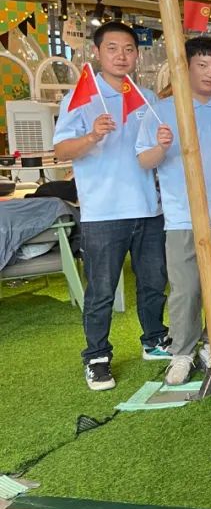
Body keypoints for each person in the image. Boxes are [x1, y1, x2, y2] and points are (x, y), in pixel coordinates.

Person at [54, 21, 169, 390]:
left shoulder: (146, 97)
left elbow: (154, 152)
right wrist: (92, 135)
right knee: (101, 290)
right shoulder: (80, 98)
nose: (122, 56)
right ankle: (97, 356)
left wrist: (163, 142)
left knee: (154, 282)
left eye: (129, 49)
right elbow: (61, 151)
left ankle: (154, 340)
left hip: (148, 208)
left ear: (137, 55)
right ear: (98, 53)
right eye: (113, 49)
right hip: (103, 212)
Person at [136, 37, 211, 386]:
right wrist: (161, 146)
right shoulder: (163, 110)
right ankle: (182, 352)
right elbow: (145, 160)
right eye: (202, 66)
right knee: (186, 289)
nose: (210, 73)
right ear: (186, 67)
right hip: (183, 217)